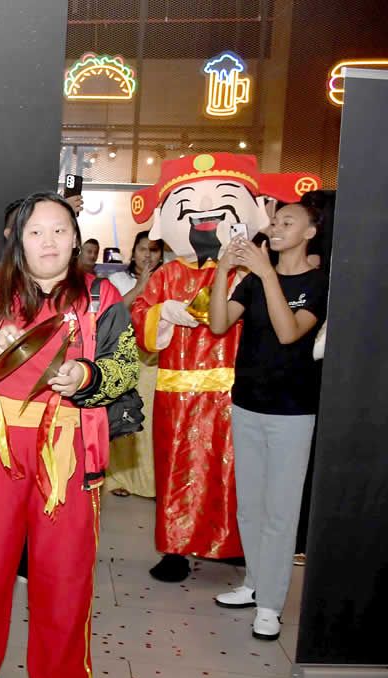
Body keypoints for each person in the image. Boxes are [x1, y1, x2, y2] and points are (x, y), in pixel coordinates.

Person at [0, 193, 138, 678]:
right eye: (36, 232)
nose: (48, 242)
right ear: (18, 240)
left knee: (64, 572)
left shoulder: (101, 296)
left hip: (67, 450)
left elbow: (124, 366)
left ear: (75, 239)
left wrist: (86, 376)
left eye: (59, 231)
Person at [129, 153, 317, 583]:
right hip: (178, 391)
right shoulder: (167, 275)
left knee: (234, 472)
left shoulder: (250, 273)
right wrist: (162, 313)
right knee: (177, 470)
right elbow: (138, 320)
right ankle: (176, 548)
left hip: (237, 388)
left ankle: (232, 544)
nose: (203, 211)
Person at [208, 203, 326, 641]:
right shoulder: (254, 280)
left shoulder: (317, 283)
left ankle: (271, 605)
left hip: (292, 411)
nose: (276, 228)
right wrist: (224, 270)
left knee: (280, 512)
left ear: (310, 232)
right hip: (247, 404)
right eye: (274, 222)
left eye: (287, 222)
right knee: (251, 506)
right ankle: (255, 583)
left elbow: (289, 332)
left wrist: (267, 274)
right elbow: (218, 323)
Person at [103, 231, 163, 498]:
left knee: (153, 420)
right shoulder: (117, 280)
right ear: (133, 252)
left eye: (154, 250)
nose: (148, 255)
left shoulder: (168, 279)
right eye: (142, 249)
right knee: (125, 415)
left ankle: (154, 481)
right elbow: (113, 313)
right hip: (126, 357)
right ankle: (120, 478)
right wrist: (141, 286)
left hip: (157, 359)